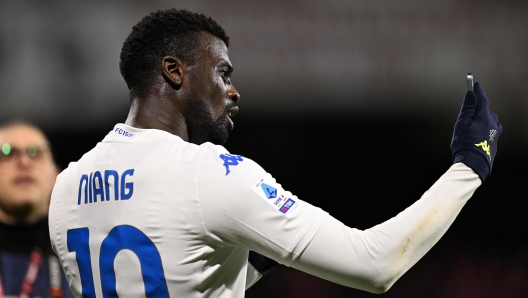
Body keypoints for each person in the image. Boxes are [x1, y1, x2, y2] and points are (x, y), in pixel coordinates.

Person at [48, 8, 502, 297]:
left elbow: (166, 278)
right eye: (223, 72)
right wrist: (470, 164)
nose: (233, 91)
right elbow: (377, 264)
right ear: (174, 71)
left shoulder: (66, 188)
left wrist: (253, 259)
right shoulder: (208, 174)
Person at [0, 120, 74, 298]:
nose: (24, 162)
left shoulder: (81, 258)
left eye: (36, 153)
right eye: (7, 153)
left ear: (56, 175)